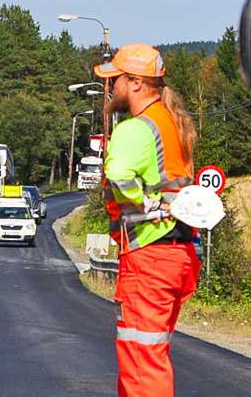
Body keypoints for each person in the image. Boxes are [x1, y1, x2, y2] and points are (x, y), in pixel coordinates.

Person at [94, 43, 201, 397]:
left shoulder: (135, 129)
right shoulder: (171, 123)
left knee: (142, 363)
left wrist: (144, 202)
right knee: (150, 355)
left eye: (117, 80)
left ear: (137, 83)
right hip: (178, 253)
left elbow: (120, 175)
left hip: (150, 255)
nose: (111, 88)